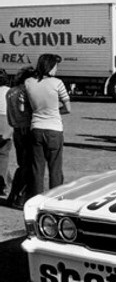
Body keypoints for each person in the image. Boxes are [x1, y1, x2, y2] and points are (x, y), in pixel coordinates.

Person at [25, 54, 71, 196]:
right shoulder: (57, 83)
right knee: (55, 169)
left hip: (36, 128)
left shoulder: (28, 82)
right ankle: (54, 198)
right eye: (56, 66)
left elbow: (25, 108)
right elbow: (68, 108)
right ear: (50, 67)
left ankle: (36, 198)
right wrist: (55, 111)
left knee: (37, 169)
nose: (57, 69)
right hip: (54, 129)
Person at [6, 66, 35, 208]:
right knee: (28, 165)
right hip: (26, 129)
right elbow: (26, 110)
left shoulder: (10, 92)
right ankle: (21, 196)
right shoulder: (25, 91)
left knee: (21, 164)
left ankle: (13, 195)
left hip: (16, 129)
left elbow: (10, 115)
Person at [0, 70, 12, 196]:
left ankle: (6, 182)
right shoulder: (10, 91)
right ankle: (3, 184)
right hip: (6, 122)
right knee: (3, 155)